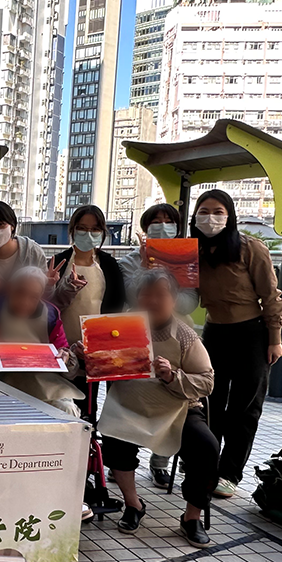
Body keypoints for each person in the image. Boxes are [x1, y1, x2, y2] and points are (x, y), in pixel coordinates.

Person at [97, 269, 218, 546]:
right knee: (112, 436)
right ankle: (133, 504)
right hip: (129, 406)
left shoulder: (185, 336)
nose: (152, 300)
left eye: (160, 294)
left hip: (177, 410)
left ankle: (192, 517)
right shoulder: (119, 328)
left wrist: (172, 376)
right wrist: (87, 355)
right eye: (146, 294)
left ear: (173, 300)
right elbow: (95, 365)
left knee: (207, 447)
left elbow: (207, 381)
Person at [192, 189, 282, 499]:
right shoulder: (193, 252)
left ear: (230, 216)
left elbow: (271, 296)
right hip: (214, 333)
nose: (211, 218)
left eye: (218, 211)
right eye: (204, 211)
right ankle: (206, 464)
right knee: (210, 403)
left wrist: (275, 339)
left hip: (251, 334)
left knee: (245, 408)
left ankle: (230, 473)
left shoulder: (250, 248)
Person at [117, 203, 200, 485]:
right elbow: (131, 296)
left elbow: (190, 302)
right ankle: (123, 461)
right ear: (145, 227)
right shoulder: (130, 261)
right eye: (156, 221)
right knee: (132, 395)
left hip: (176, 337)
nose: (162, 226)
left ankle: (160, 461)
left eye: (168, 221)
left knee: (171, 394)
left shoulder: (185, 259)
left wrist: (163, 283)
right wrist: (145, 268)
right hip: (136, 336)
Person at [0, 266, 82, 416]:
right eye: (20, 292)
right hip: (2, 384)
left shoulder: (51, 315)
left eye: (33, 297)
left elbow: (65, 357)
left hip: (46, 384)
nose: (25, 302)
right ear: (10, 289)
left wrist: (66, 359)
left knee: (67, 409)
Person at [52, 205, 126, 420]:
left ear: (102, 232)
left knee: (88, 408)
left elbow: (117, 307)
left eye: (95, 229)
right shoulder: (58, 262)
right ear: (72, 230)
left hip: (97, 347)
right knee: (63, 403)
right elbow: (48, 307)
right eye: (82, 228)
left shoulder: (109, 265)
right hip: (61, 347)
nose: (88, 233)